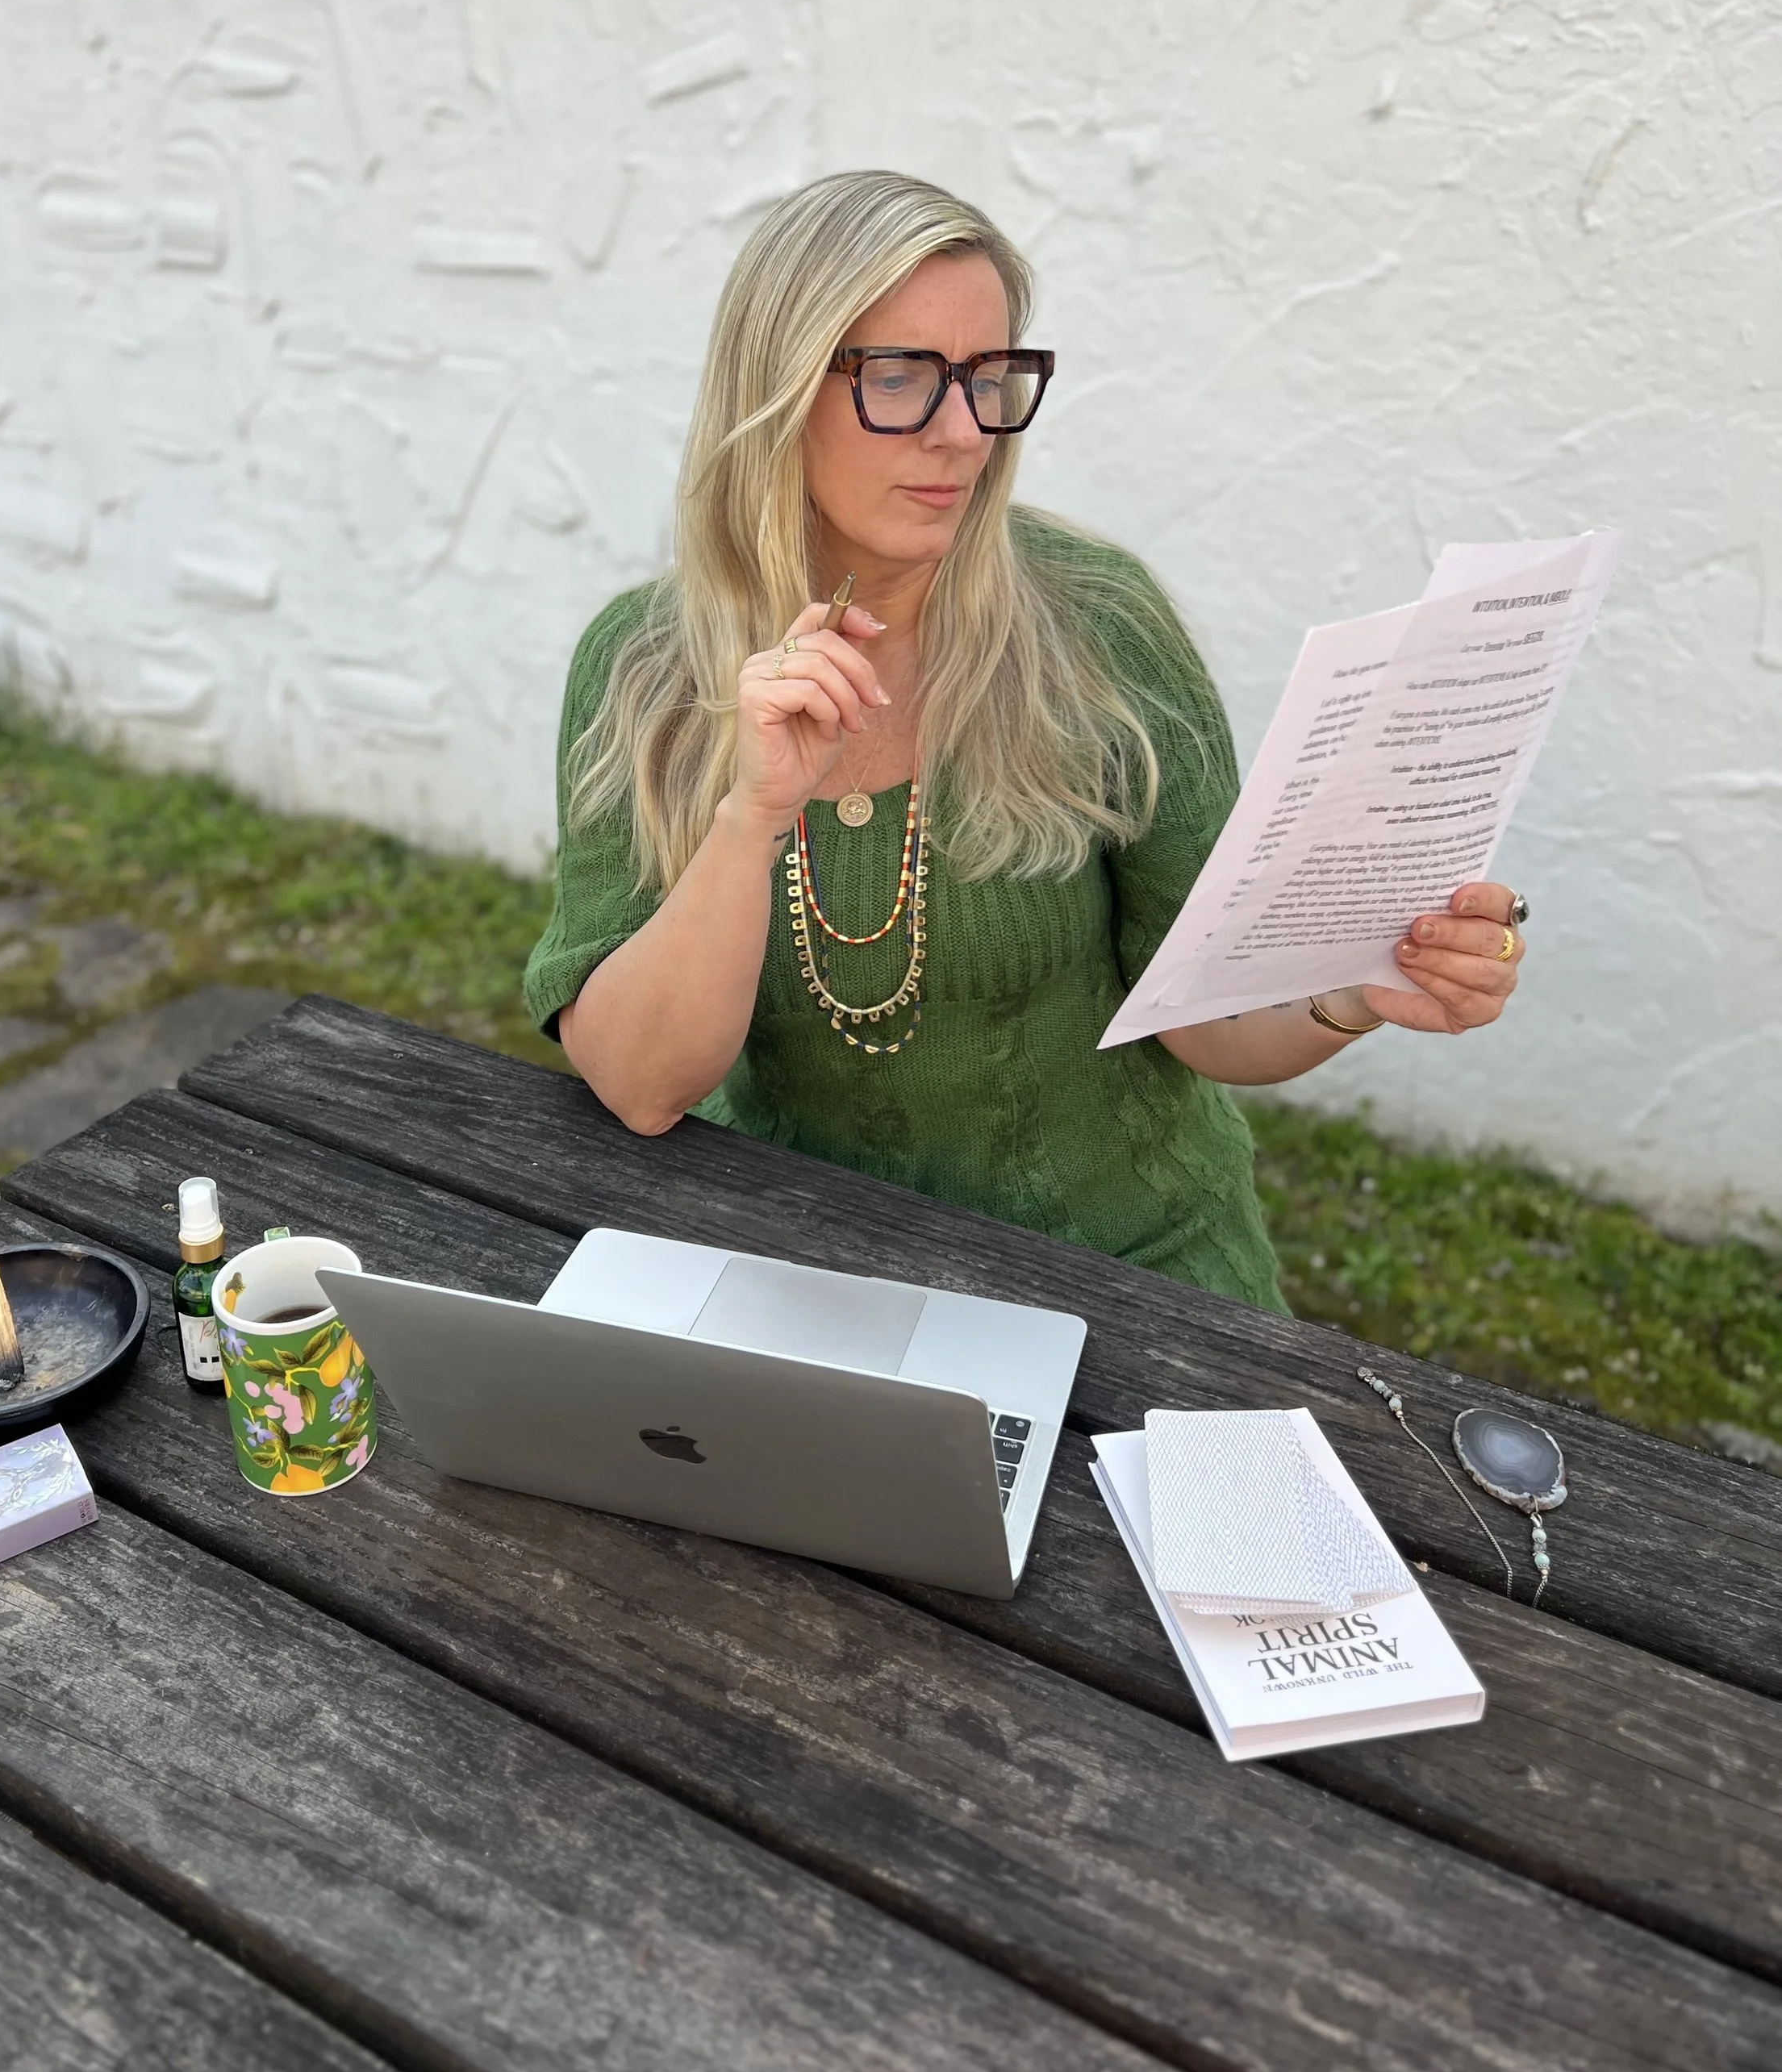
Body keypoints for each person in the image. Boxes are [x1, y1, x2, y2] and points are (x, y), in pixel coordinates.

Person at [523, 172, 1525, 1311]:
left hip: (1125, 1276)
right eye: (900, 377)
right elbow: (642, 1086)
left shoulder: (1096, 628)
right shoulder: (647, 668)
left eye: (989, 378)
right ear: (779, 388)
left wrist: (1355, 990)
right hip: (798, 1271)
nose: (963, 435)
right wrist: (750, 818)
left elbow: (1207, 1019)